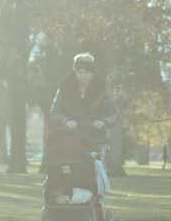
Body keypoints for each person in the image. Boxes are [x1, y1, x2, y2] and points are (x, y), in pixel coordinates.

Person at [44, 53, 118, 201]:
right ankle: (61, 192)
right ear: (75, 71)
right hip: (70, 135)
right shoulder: (64, 89)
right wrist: (65, 120)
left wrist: (103, 122)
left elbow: (114, 114)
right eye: (79, 72)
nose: (82, 76)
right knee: (60, 158)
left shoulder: (102, 90)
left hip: (94, 136)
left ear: (92, 72)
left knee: (89, 163)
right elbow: (54, 113)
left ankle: (88, 194)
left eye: (86, 72)